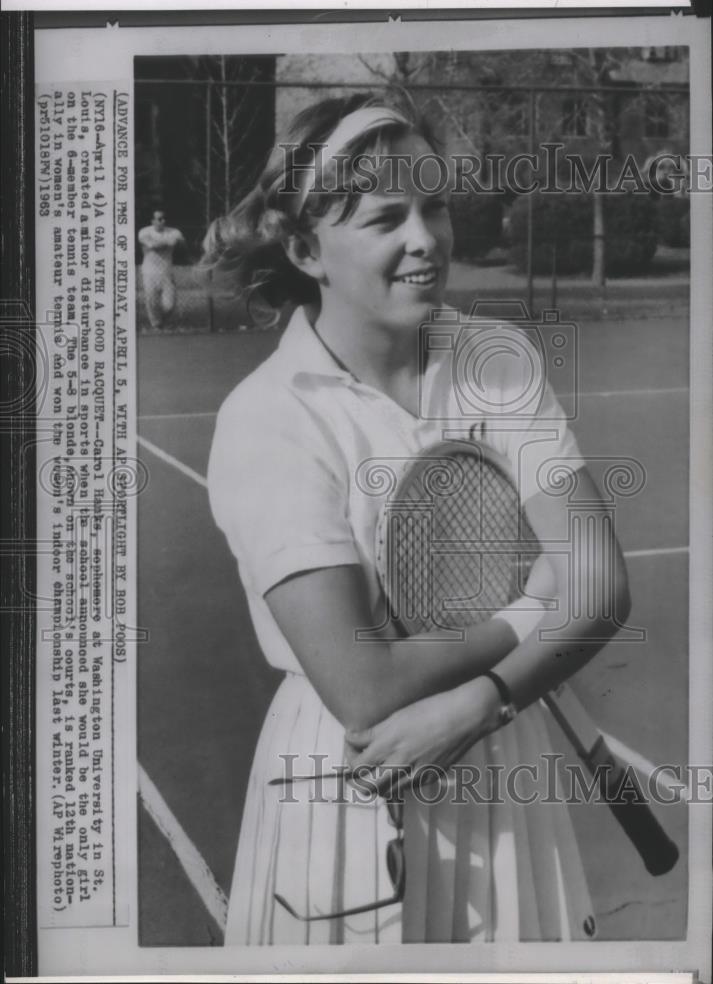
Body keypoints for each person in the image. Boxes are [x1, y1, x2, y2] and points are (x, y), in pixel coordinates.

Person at [204, 92, 631, 946]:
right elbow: (365, 687)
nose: (425, 241)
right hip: (353, 775)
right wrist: (534, 607)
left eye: (434, 205)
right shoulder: (268, 418)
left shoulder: (494, 358)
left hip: (501, 754)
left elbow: (605, 587)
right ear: (303, 249)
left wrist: (481, 704)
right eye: (384, 218)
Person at [137, 209, 185, 329]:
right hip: (149, 273)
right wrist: (169, 243)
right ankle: (156, 326)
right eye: (159, 219)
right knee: (152, 302)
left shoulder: (174, 231)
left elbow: (182, 243)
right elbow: (152, 246)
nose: (162, 221)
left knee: (169, 305)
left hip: (167, 273)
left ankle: (161, 321)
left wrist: (165, 243)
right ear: (152, 221)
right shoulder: (144, 232)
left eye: (164, 218)